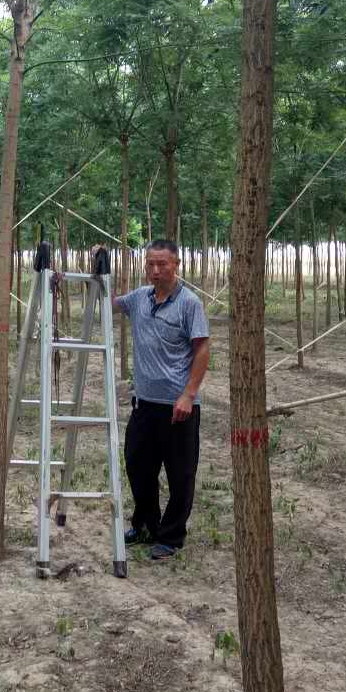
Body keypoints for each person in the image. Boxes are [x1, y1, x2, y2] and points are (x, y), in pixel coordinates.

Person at [104, 239, 211, 560]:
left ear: (176, 265)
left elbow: (202, 349)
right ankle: (146, 525)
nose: (155, 270)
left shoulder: (189, 303)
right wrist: (99, 269)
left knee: (180, 475)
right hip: (144, 404)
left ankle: (172, 536)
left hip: (178, 407)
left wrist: (188, 395)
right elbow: (110, 302)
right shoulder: (140, 298)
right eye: (150, 263)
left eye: (162, 264)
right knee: (137, 466)